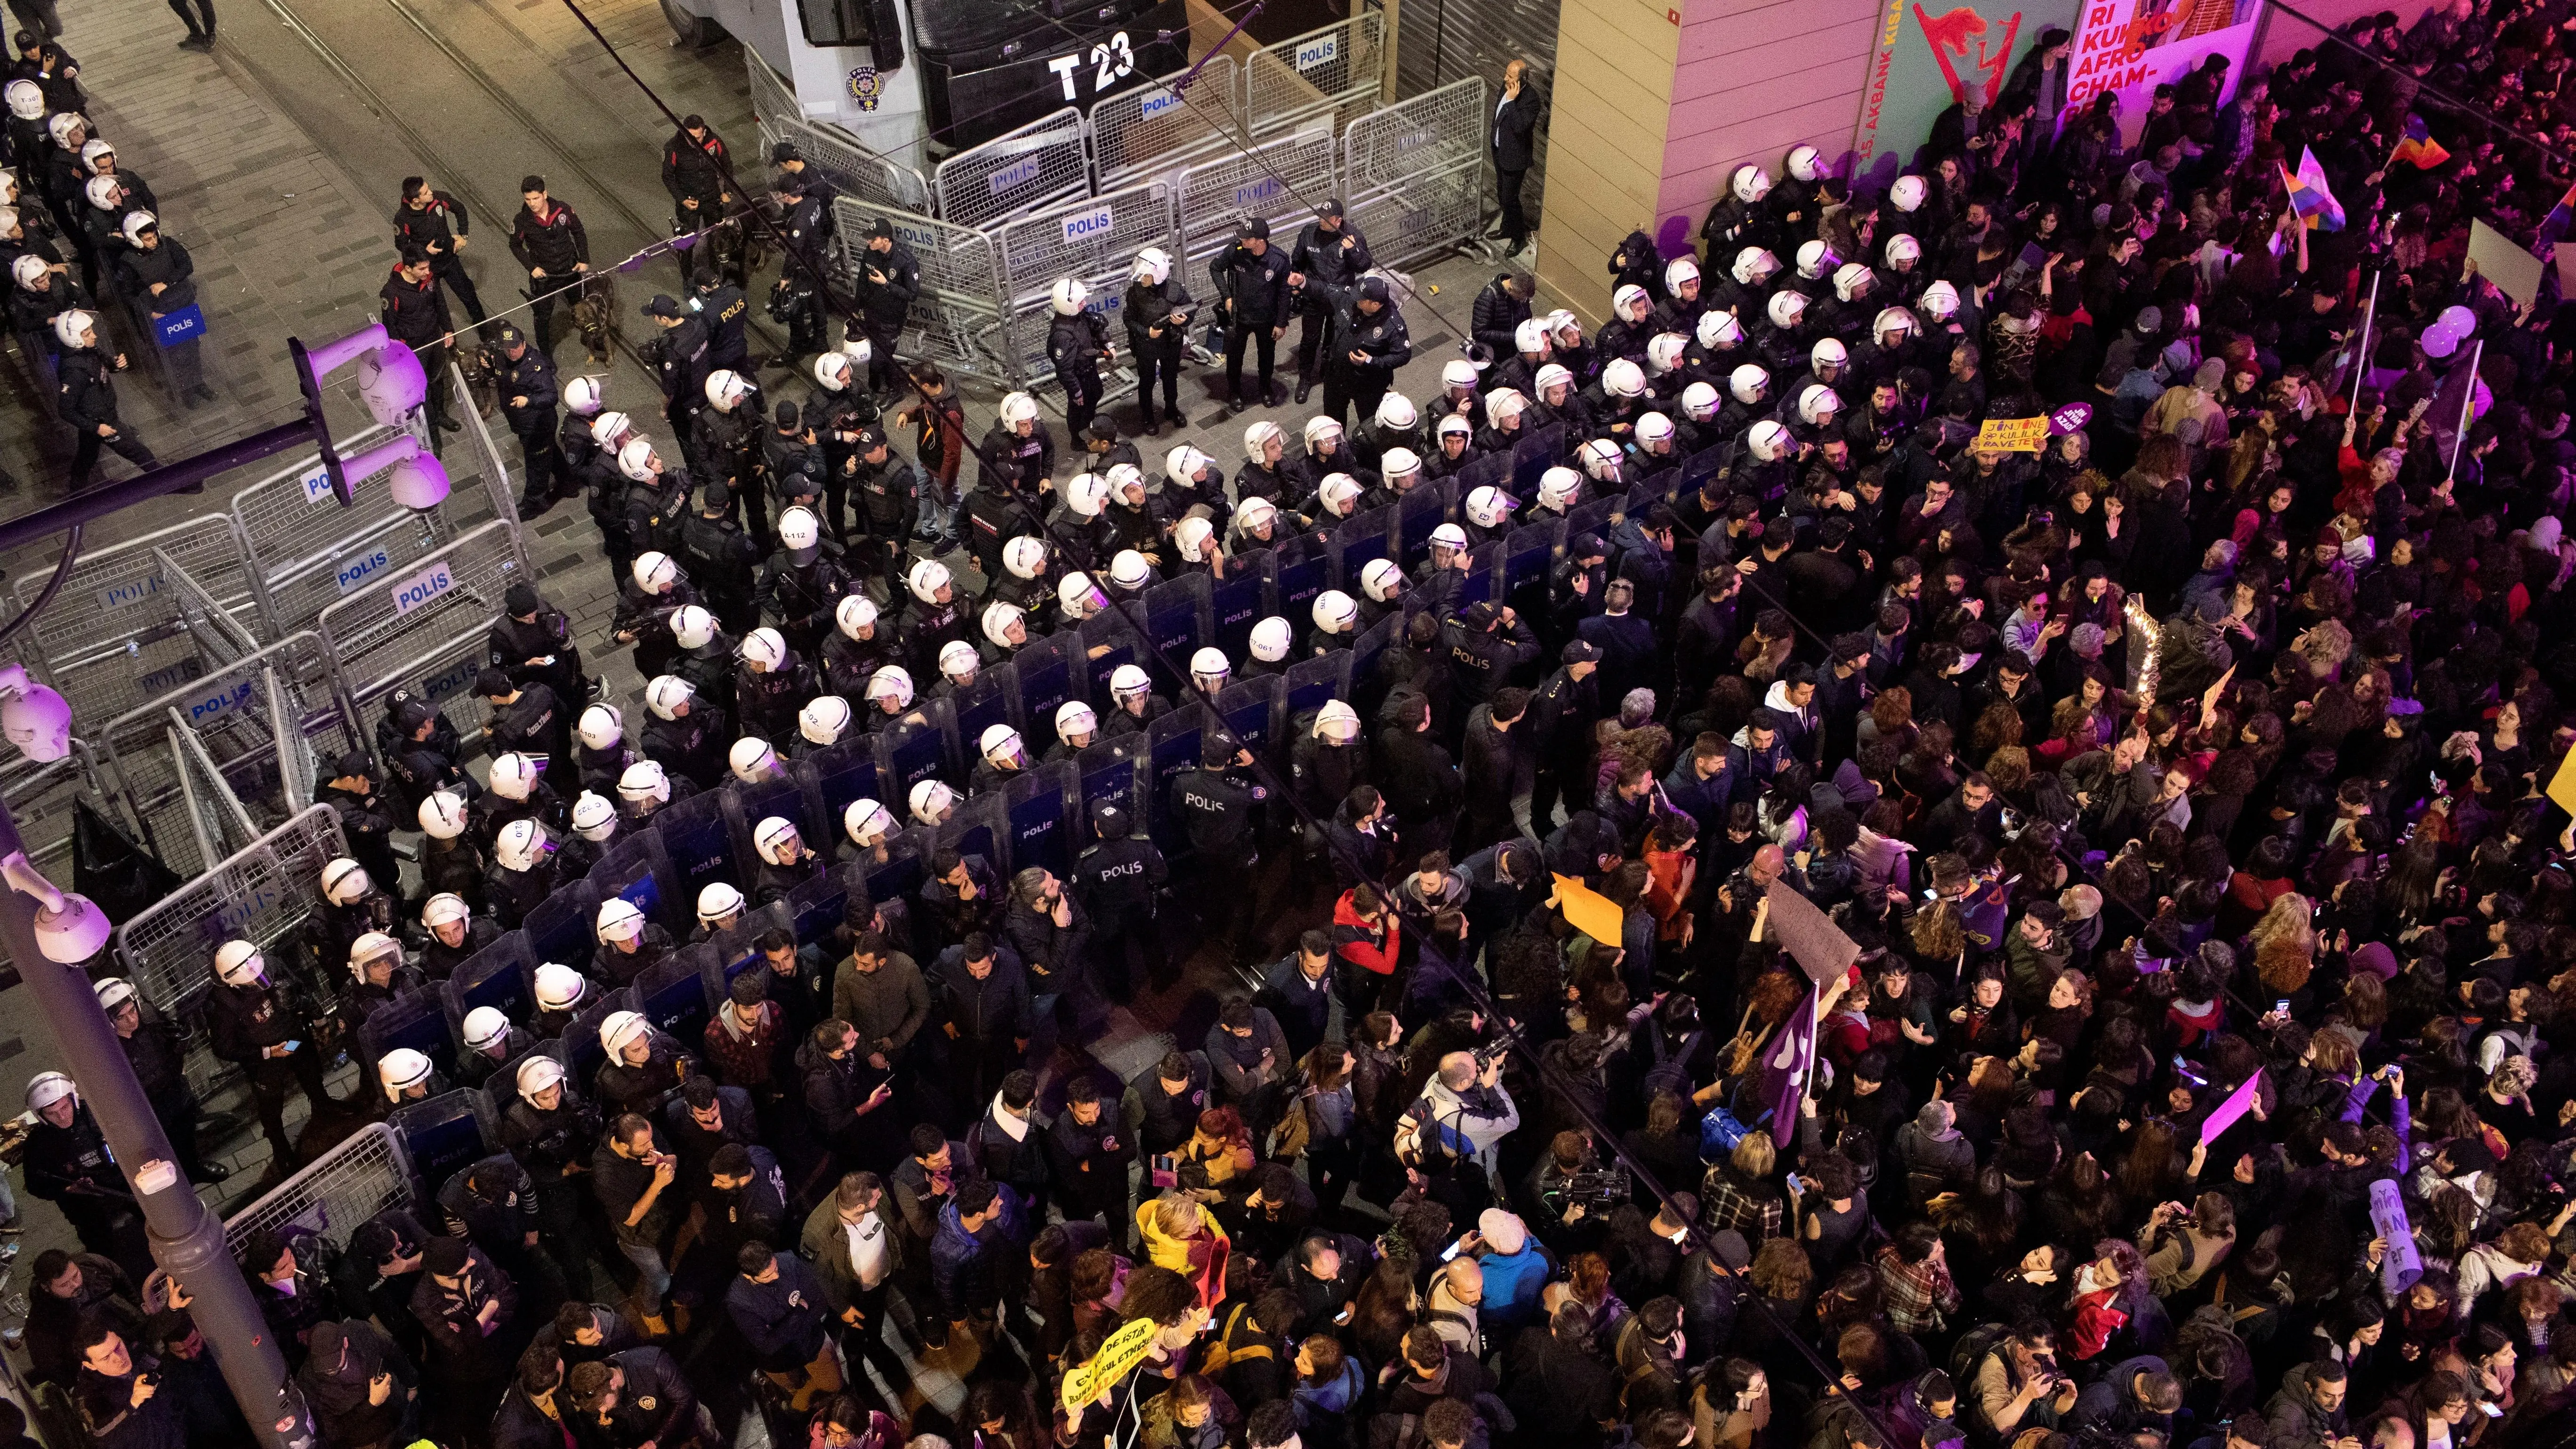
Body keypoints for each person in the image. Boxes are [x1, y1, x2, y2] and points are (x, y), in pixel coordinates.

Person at [1490, 59, 1540, 261]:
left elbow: (1520, 127)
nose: (1505, 79)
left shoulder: (1531, 100)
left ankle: (1518, 238)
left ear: (1523, 80)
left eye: (1510, 77)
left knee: (1511, 199)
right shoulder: (1506, 88)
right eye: (1507, 74)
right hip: (1499, 151)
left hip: (1515, 158)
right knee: (1502, 193)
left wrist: (1511, 102)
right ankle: (1506, 227)